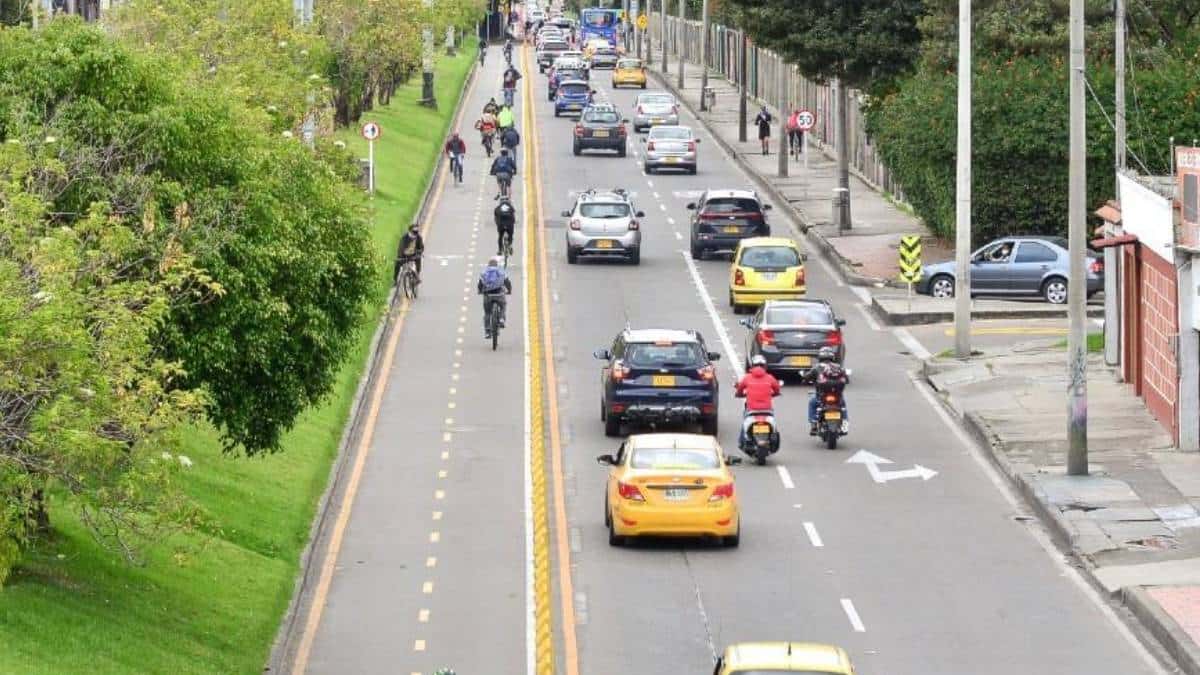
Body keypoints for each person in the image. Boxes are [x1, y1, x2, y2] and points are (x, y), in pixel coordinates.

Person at [734, 355, 782, 447]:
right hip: (767, 410)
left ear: (752, 366)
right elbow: (777, 389)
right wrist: (774, 394)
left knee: (745, 422)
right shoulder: (770, 377)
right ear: (765, 366)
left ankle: (741, 442)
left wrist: (739, 394)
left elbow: (739, 390)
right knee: (773, 424)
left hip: (751, 410)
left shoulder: (747, 378)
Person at [807, 347, 848, 434]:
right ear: (832, 357)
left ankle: (813, 424)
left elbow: (807, 377)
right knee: (843, 406)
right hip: (837, 396)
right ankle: (845, 423)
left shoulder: (817, 367)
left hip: (821, 396)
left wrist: (804, 379)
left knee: (812, 403)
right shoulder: (838, 367)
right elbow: (846, 379)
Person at [477, 256, 513, 338]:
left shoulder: (484, 272)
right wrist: (509, 291)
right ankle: (501, 319)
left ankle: (487, 331)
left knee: (487, 313)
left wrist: (479, 291)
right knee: (503, 306)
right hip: (499, 294)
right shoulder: (501, 272)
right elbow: (507, 282)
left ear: (488, 265)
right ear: (497, 265)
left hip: (488, 295)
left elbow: (480, 284)